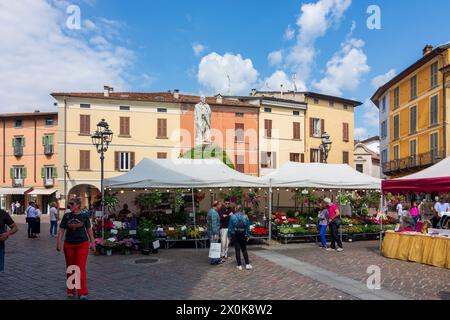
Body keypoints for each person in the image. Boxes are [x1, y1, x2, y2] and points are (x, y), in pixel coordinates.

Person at [56, 197, 96, 300]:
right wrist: (58, 242)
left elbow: (89, 230)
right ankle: (70, 289)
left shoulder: (84, 216)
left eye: (72, 204)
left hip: (82, 244)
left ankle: (82, 292)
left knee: (80, 267)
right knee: (70, 267)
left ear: (78, 205)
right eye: (69, 204)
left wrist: (93, 242)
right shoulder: (67, 216)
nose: (70, 205)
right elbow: (61, 230)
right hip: (69, 245)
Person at [228, 205, 252, 270]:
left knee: (237, 250)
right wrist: (248, 235)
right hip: (243, 234)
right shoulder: (245, 217)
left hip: (235, 235)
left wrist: (230, 235)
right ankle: (247, 264)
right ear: (242, 209)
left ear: (236, 209)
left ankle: (239, 265)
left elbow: (230, 228)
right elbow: (248, 227)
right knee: (244, 249)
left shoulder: (232, 217)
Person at [207, 201, 222, 265]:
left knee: (214, 245)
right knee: (214, 246)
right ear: (217, 205)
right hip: (213, 232)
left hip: (211, 232)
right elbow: (214, 224)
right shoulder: (214, 212)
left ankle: (216, 259)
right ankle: (214, 260)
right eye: (220, 205)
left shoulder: (211, 211)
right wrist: (215, 233)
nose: (220, 206)